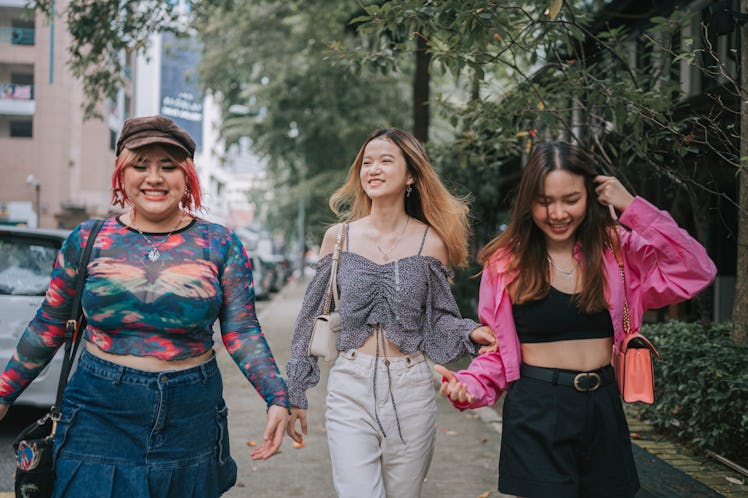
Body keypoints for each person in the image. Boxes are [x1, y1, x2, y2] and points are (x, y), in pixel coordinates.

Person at [0, 115, 289, 498]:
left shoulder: (220, 243)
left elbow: (242, 331)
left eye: (168, 167)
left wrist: (276, 396)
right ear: (122, 173)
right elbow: (50, 324)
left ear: (187, 176)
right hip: (98, 409)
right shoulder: (88, 239)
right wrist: (4, 393)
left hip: (190, 414)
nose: (154, 177)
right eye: (141, 165)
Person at [435, 142, 717, 498]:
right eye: (545, 201)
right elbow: (497, 351)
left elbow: (696, 268)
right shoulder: (505, 263)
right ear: (528, 201)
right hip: (536, 410)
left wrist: (633, 208)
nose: (557, 213)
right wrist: (469, 386)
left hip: (603, 408)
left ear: (591, 195)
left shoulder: (617, 250)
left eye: (571, 200)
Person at [285, 127, 496, 498]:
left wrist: (470, 333)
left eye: (385, 161)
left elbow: (438, 319)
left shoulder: (431, 242)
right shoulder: (339, 238)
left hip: (411, 387)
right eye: (367, 162)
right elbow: (310, 316)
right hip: (350, 384)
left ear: (411, 175)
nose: (373, 169)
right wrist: (296, 389)